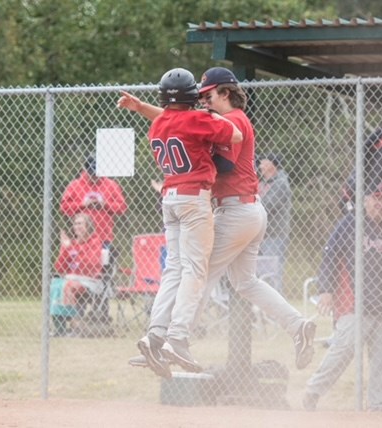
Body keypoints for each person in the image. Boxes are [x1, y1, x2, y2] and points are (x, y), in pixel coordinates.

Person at [118, 66, 316, 378]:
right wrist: (144, 108)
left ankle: (173, 340)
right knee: (244, 282)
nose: (203, 102)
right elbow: (181, 120)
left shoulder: (233, 119)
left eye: (208, 96)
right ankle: (297, 325)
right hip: (244, 210)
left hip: (236, 210)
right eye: (198, 98)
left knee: (198, 273)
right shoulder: (215, 119)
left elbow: (197, 134)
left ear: (225, 92)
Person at [120, 67, 243, 377]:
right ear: (191, 96)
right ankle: (178, 337)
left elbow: (171, 117)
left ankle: (154, 334)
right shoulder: (198, 119)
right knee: (195, 269)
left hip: (169, 198)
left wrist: (141, 107)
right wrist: (212, 113)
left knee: (173, 268)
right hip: (193, 199)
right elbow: (236, 134)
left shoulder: (159, 123)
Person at [303, 180, 382, 413]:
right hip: (354, 302)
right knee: (342, 350)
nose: (380, 203)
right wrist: (326, 290)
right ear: (365, 200)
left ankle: (379, 405)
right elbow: (329, 256)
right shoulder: (350, 224)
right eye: (375, 198)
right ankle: (313, 391)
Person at [60, 154, 127, 322]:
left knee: (102, 277)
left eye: (98, 173)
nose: (95, 176)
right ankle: (76, 315)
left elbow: (122, 207)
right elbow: (64, 207)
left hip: (104, 240)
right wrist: (83, 205)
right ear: (85, 170)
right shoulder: (76, 185)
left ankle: (100, 315)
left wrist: (105, 205)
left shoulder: (110, 185)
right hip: (81, 242)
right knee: (80, 273)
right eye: (91, 173)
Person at [51, 213, 106, 336]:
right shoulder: (72, 243)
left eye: (80, 223)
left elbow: (90, 266)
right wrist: (65, 249)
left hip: (91, 281)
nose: (77, 226)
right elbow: (59, 268)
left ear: (88, 226)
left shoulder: (95, 241)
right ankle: (60, 329)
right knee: (55, 284)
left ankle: (75, 327)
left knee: (68, 286)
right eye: (75, 224)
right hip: (71, 279)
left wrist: (71, 248)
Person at [257, 152, 292, 294]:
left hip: (275, 235)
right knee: (259, 273)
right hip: (260, 235)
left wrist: (252, 205)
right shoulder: (262, 183)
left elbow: (266, 205)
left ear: (272, 165)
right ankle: (263, 308)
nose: (260, 165)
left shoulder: (281, 183)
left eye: (264, 162)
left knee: (273, 273)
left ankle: (277, 309)